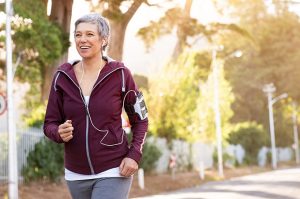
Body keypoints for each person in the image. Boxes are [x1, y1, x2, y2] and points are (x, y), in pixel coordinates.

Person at [43, 13, 148, 199]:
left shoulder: (121, 75)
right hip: (75, 173)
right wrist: (58, 132)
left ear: (103, 39)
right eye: (78, 34)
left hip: (114, 169)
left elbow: (141, 120)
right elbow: (49, 123)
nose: (82, 39)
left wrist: (134, 155)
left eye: (90, 34)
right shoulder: (62, 77)